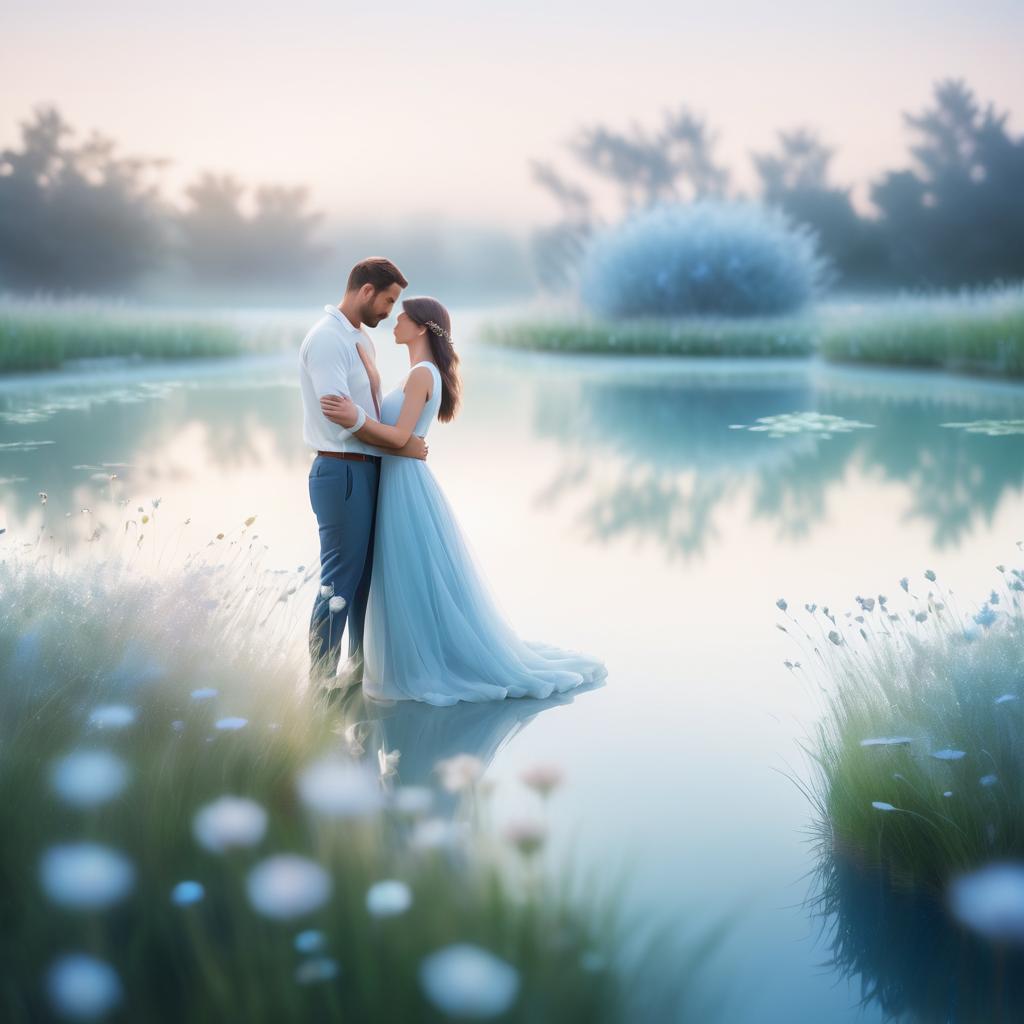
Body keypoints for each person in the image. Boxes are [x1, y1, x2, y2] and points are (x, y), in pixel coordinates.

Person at [320, 295, 607, 706]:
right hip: (402, 477)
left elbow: (401, 438)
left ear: (420, 327)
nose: (394, 321)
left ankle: (420, 663)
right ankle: (394, 657)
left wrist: (356, 419)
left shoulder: (422, 374)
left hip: (403, 485)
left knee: (411, 574)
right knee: (410, 576)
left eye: (401, 317)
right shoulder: (421, 373)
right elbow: (406, 440)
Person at [299, 257, 428, 687]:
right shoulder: (327, 339)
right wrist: (401, 443)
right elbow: (337, 411)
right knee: (339, 582)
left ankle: (356, 675)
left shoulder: (359, 340)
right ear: (366, 290)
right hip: (341, 471)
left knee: (363, 583)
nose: (390, 311)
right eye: (389, 301)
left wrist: (391, 444)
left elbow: (361, 411)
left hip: (368, 470)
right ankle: (320, 682)